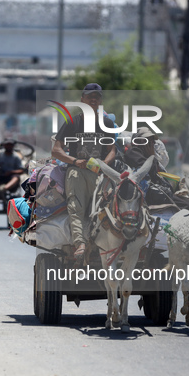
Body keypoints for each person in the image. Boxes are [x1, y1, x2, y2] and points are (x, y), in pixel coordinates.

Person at [51, 83, 116, 261]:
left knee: (104, 209)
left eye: (97, 96)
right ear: (82, 100)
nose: (93, 99)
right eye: (89, 96)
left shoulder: (107, 123)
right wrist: (75, 161)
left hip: (98, 173)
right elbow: (56, 151)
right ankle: (79, 244)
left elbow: (112, 150)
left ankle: (104, 245)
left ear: (100, 100)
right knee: (76, 208)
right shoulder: (72, 122)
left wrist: (103, 165)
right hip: (76, 172)